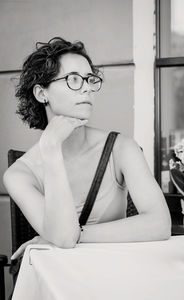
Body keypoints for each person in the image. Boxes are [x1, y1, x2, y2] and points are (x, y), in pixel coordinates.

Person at [3, 37, 171, 259]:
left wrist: (79, 234)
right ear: (41, 93)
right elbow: (63, 238)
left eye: (89, 79)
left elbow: (160, 224)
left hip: (114, 272)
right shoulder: (19, 174)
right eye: (73, 79)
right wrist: (51, 149)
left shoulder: (121, 148)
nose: (87, 89)